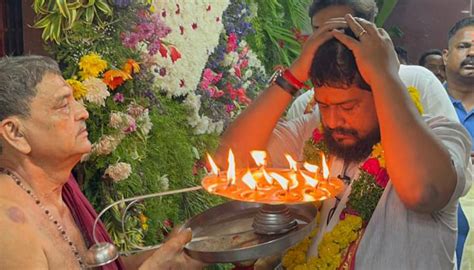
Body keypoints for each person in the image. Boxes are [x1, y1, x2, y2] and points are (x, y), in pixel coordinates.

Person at [215, 10, 471, 270]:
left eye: (348, 107)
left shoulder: (442, 135)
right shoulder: (312, 133)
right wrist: (294, 75)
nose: (334, 120)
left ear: (382, 93)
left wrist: (384, 74)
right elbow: (228, 161)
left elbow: (423, 192)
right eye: (324, 105)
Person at [0, 55, 203, 270]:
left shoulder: (61, 190)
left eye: (75, 101)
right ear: (15, 133)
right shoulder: (9, 225)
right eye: (63, 105)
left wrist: (172, 257)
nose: (83, 112)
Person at [442, 16, 474, 269]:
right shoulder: (419, 104)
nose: (472, 53)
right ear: (445, 55)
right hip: (429, 231)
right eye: (464, 46)